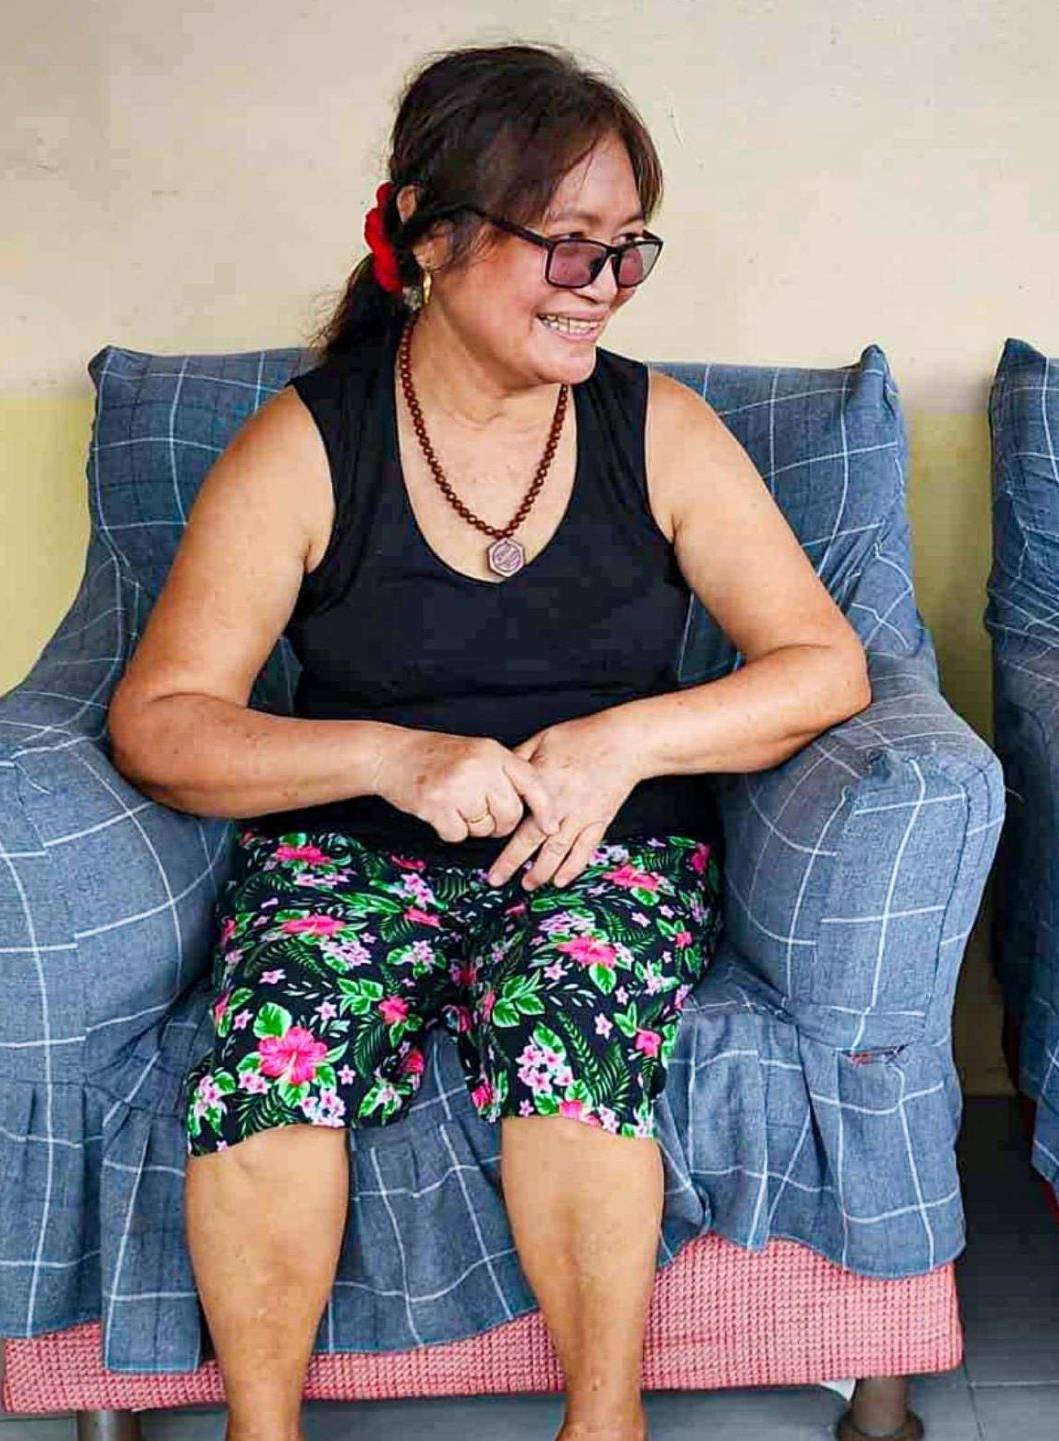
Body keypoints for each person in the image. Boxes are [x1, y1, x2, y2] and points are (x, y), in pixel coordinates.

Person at [105, 43, 869, 1441]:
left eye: (625, 249)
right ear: (422, 239)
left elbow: (822, 665)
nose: (603, 287)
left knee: (570, 1030)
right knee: (275, 1051)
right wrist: (393, 757)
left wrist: (625, 740)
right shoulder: (304, 445)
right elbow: (161, 724)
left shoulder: (662, 430)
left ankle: (605, 1423)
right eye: (564, 247)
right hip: (349, 851)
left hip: (601, 847)